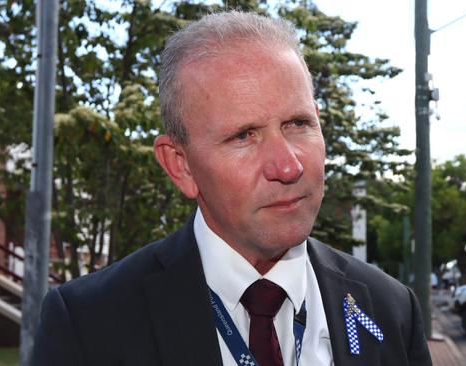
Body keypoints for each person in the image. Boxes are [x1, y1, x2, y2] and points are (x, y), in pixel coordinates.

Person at [31, 11, 432, 366]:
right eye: (244, 135)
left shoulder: (391, 308)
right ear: (180, 165)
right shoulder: (89, 325)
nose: (288, 166)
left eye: (298, 124)